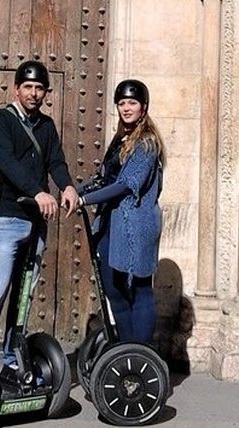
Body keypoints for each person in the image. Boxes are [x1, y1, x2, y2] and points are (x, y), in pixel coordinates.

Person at [0, 60, 79, 376]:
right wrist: (38, 192)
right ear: (17, 88)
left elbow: (56, 161)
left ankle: (9, 360)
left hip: (36, 225)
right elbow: (6, 163)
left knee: (23, 296)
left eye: (39, 88)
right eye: (28, 87)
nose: (34, 93)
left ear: (46, 92)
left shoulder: (46, 127)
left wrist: (67, 186)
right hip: (9, 219)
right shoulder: (1, 121)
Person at [78, 79, 165, 345]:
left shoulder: (147, 143)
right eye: (122, 103)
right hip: (110, 224)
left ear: (144, 107)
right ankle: (125, 351)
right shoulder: (120, 140)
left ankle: (141, 354)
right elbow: (105, 178)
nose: (126, 108)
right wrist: (74, 190)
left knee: (139, 289)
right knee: (113, 289)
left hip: (136, 224)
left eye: (132, 103)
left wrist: (85, 200)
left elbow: (128, 184)